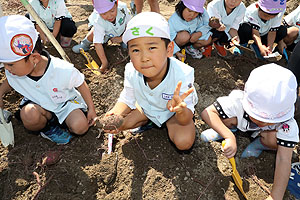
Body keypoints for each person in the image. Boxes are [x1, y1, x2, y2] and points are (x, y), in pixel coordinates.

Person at [102, 12, 198, 151]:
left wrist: (181, 110)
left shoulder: (182, 74)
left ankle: (161, 122)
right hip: (146, 108)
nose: (144, 57)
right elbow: (127, 98)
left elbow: (185, 117)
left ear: (169, 49)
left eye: (152, 48)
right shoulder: (131, 70)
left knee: (184, 142)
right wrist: (115, 114)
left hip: (173, 114)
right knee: (119, 124)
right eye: (135, 50)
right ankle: (147, 120)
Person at [201, 64, 299, 199]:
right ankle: (228, 129)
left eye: (269, 120)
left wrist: (275, 196)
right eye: (258, 117)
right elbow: (208, 113)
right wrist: (229, 137)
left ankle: (260, 143)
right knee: (228, 117)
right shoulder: (238, 102)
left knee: (277, 139)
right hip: (240, 122)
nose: (263, 123)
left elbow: (284, 159)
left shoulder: (287, 124)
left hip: (263, 134)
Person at [0, 15, 97, 144]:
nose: (7, 69)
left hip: (65, 104)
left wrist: (91, 108)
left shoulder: (61, 70)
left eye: (10, 64)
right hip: (38, 105)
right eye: (4, 64)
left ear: (34, 58)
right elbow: (10, 82)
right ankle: (48, 129)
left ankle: (65, 123)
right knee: (29, 115)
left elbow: (80, 83)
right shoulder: (15, 72)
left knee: (80, 127)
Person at [72, 0, 131, 73]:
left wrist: (122, 38)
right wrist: (104, 63)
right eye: (104, 13)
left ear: (116, 4)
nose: (109, 16)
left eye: (112, 11)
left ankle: (123, 41)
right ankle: (85, 44)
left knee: (127, 47)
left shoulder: (123, 8)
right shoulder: (98, 20)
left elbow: (130, 25)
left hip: (122, 31)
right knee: (93, 34)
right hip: (106, 33)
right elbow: (97, 43)